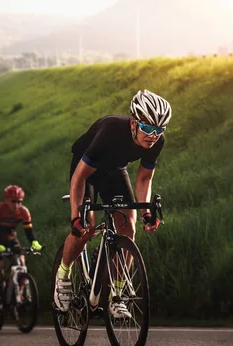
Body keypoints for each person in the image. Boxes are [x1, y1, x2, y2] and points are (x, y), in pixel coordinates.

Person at [54, 89, 172, 318]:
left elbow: (144, 178)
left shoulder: (157, 140)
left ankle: (117, 296)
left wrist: (147, 214)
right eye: (148, 128)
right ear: (133, 124)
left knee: (128, 225)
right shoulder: (110, 131)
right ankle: (63, 276)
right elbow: (79, 178)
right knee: (85, 228)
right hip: (87, 168)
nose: (153, 135)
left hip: (114, 170)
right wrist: (74, 217)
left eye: (159, 130)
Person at [0, 184, 43, 313]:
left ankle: (19, 294)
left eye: (19, 202)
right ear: (6, 200)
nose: (16, 205)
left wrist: (34, 243)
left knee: (22, 264)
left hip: (10, 238)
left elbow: (29, 231)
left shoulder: (23, 211)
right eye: (13, 201)